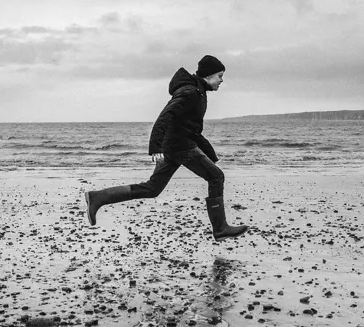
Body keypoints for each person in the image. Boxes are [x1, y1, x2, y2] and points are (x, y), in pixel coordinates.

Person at [83, 54, 248, 240]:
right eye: (219, 75)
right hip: (180, 147)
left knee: (152, 189)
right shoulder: (190, 92)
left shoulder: (198, 91)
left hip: (174, 146)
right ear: (208, 75)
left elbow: (187, 125)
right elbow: (165, 116)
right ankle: (220, 228)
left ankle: (98, 198)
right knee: (216, 177)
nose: (221, 80)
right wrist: (155, 146)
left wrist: (206, 150)